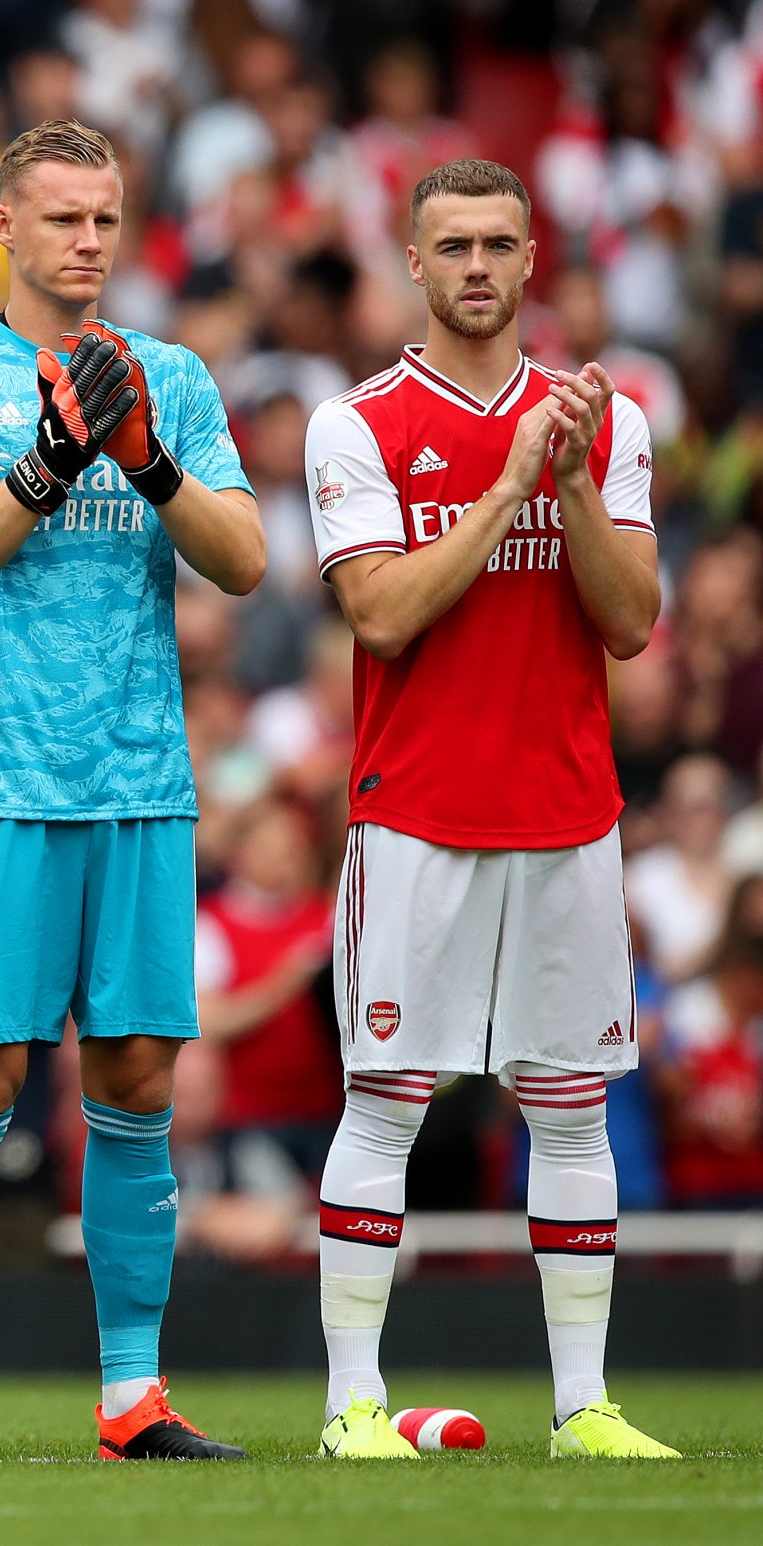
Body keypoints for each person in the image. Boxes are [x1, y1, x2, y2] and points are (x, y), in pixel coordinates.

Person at [0, 119, 264, 1463]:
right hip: (0, 781)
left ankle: (132, 1396)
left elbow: (246, 557)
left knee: (142, 1071)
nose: (89, 241)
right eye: (63, 218)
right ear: (5, 224)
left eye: (106, 218)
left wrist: (146, 456)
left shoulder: (174, 375)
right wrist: (46, 459)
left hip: (143, 778)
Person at [304, 158, 678, 1460]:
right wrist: (512, 483)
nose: (476, 265)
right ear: (413, 263)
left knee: (571, 1103)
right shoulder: (355, 422)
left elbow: (630, 621)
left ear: (533, 261)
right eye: (452, 243)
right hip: (417, 809)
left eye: (499, 244)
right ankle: (353, 1401)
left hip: (569, 807)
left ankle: (585, 1406)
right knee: (389, 1095)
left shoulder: (605, 419)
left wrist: (567, 477)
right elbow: (383, 613)